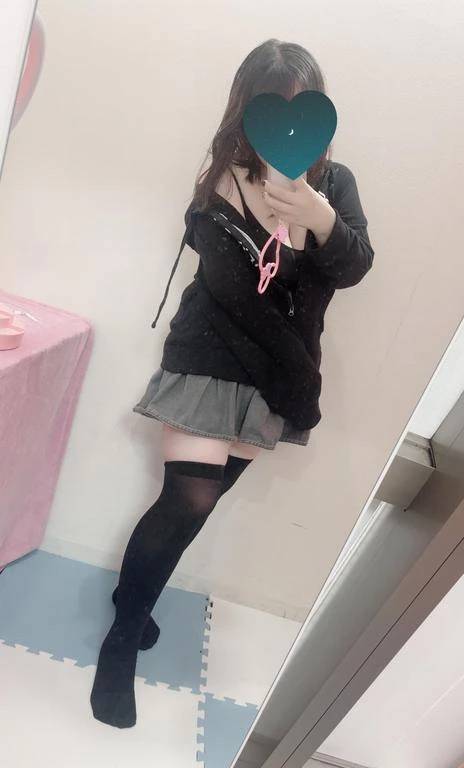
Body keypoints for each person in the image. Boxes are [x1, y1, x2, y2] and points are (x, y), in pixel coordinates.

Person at [90, 38, 374, 728]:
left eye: (297, 108)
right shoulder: (221, 180)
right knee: (185, 501)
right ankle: (121, 641)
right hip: (213, 359)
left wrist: (319, 220)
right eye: (268, 109)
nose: (283, 127)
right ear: (246, 110)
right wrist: (298, 384)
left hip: (278, 372)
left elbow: (355, 266)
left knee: (204, 502)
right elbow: (235, 300)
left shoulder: (334, 185)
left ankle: (133, 599)